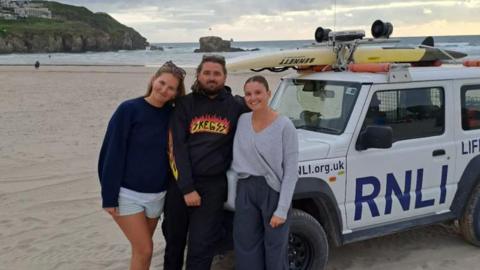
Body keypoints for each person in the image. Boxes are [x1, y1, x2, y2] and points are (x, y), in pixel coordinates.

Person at [98, 61, 186, 270]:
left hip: (158, 196)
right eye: (162, 83)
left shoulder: (173, 115)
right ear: (153, 80)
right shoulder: (129, 109)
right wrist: (108, 197)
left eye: (171, 88)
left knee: (140, 252)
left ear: (175, 94)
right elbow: (111, 153)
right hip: (127, 195)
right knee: (145, 249)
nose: (164, 90)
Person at [163, 54, 248, 270]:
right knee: (174, 244)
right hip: (180, 184)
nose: (212, 77)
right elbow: (176, 148)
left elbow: (262, 111)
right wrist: (187, 188)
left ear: (225, 77)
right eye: (207, 73)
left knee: (201, 248)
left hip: (213, 187)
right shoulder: (184, 104)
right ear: (198, 75)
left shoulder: (235, 106)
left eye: (216, 74)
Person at [231, 75, 299, 270]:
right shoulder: (243, 120)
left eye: (258, 92)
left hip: (272, 191)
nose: (253, 98)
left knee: (275, 249)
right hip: (245, 188)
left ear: (269, 94)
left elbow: (291, 171)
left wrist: (282, 209)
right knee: (245, 246)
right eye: (248, 94)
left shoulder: (285, 126)